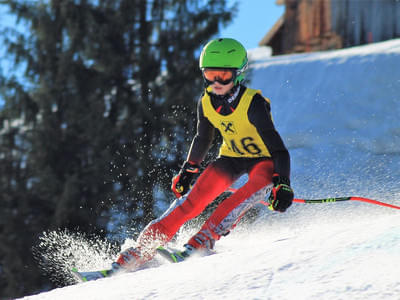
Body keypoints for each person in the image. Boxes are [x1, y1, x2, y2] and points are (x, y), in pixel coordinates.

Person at [74, 38, 294, 282]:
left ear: (238, 74)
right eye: (211, 75)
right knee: (191, 202)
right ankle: (141, 250)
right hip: (231, 158)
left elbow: (279, 149)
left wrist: (282, 183)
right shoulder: (206, 101)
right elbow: (203, 137)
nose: (217, 82)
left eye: (223, 75)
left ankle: (204, 238)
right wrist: (189, 170)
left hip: (264, 160)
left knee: (247, 190)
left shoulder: (253, 103)